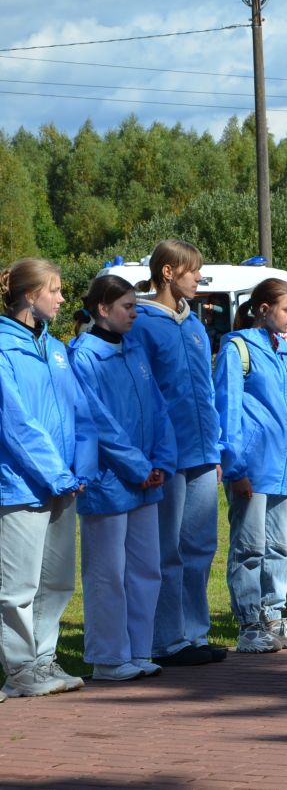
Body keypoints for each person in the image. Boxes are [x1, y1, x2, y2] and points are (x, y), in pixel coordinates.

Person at [71, 275, 176, 680]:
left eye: (135, 305)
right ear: (102, 309)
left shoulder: (133, 349)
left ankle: (137, 649)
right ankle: (108, 657)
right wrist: (138, 466)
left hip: (146, 479)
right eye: (127, 307)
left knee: (145, 569)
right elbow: (98, 420)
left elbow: (158, 409)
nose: (135, 313)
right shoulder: (84, 357)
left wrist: (161, 462)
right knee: (107, 572)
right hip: (109, 481)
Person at [0, 258, 95, 698]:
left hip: (64, 483)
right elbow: (15, 423)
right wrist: (57, 473)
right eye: (54, 291)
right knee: (18, 586)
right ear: (29, 295)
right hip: (21, 483)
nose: (61, 299)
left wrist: (81, 468)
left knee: (57, 581)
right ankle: (20, 668)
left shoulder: (56, 348)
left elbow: (80, 412)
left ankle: (42, 659)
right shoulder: (3, 346)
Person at [131, 240, 225, 668]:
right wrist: (153, 452)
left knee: (201, 545)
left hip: (204, 451)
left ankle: (194, 632)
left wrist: (217, 446)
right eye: (192, 271)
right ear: (168, 272)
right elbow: (143, 394)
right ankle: (166, 640)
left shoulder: (194, 325)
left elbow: (204, 390)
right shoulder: (142, 323)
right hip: (167, 455)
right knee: (166, 548)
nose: (198, 278)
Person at [215, 279, 287, 653]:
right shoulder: (238, 349)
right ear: (262, 308)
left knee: (277, 547)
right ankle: (249, 623)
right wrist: (236, 467)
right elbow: (228, 410)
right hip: (253, 469)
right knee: (249, 547)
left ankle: (274, 617)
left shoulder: (286, 353)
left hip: (285, 469)